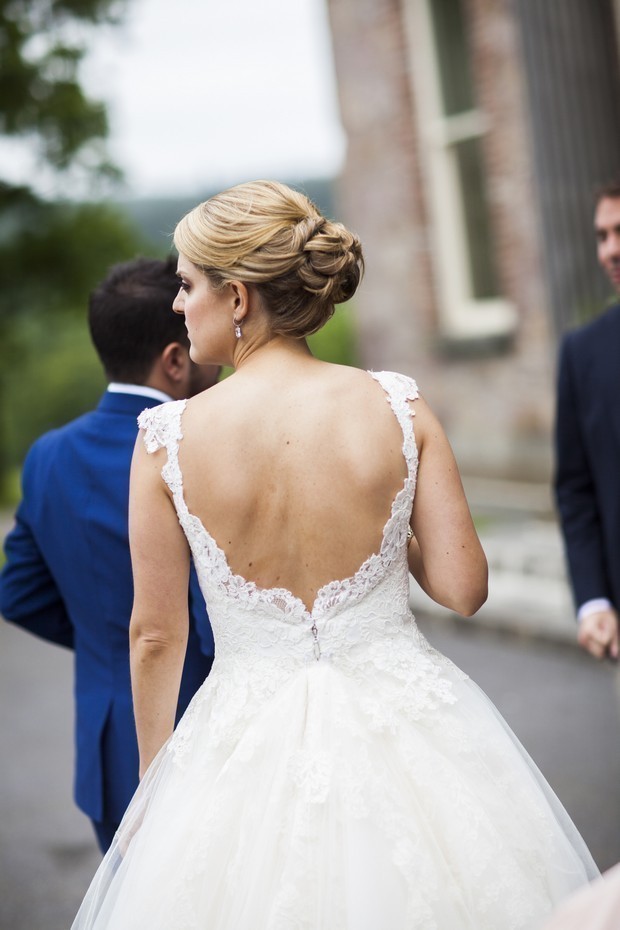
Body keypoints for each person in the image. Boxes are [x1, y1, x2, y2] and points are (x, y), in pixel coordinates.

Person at [72, 181, 597, 929]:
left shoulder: (168, 441)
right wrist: (389, 533)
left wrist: (160, 784)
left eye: (188, 285)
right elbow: (463, 586)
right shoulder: (396, 405)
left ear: (240, 297)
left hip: (241, 739)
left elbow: (155, 635)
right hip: (411, 727)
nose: (178, 305)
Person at [0, 257, 219, 854]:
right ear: (175, 359)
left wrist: (108, 636)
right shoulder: (204, 444)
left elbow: (17, 594)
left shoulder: (47, 456)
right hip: (218, 735)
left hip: (109, 750)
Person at [554, 181, 620, 661]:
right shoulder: (583, 352)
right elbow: (576, 488)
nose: (610, 252)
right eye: (602, 236)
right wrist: (593, 598)